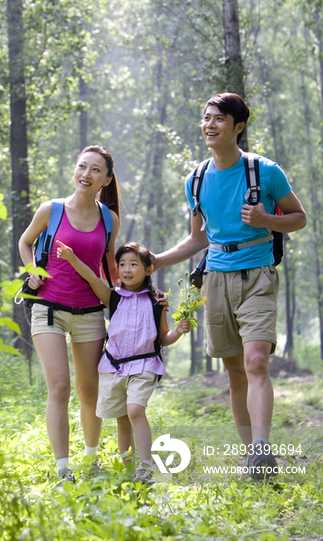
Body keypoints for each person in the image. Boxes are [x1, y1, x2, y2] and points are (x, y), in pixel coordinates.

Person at [153, 92, 306, 480]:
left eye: (219, 119)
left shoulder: (265, 171)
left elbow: (299, 218)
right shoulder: (196, 179)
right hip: (216, 279)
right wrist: (156, 260)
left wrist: (265, 219)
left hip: (257, 273)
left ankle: (261, 449)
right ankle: (251, 458)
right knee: (235, 372)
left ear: (238, 126)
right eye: (206, 118)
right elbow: (197, 239)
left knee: (257, 362)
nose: (209, 125)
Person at [18, 145, 120, 483]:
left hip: (90, 311)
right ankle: (63, 468)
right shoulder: (52, 210)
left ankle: (91, 458)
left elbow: (108, 266)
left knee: (90, 390)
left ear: (106, 179)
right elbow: (25, 242)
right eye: (82, 167)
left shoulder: (110, 219)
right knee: (59, 387)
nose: (86, 175)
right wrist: (32, 270)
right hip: (48, 307)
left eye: (95, 170)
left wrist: (129, 298)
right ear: (74, 171)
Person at [57, 240, 191, 485]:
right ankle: (130, 473)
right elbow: (92, 279)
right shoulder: (113, 297)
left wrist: (179, 331)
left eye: (134, 264)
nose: (127, 269)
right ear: (117, 269)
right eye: (122, 264)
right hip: (115, 366)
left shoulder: (157, 300)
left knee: (135, 411)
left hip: (144, 365)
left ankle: (146, 467)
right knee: (122, 420)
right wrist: (72, 258)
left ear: (149, 269)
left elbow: (163, 337)